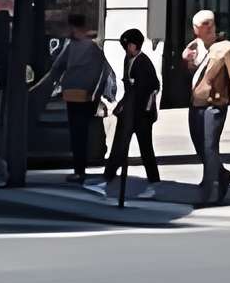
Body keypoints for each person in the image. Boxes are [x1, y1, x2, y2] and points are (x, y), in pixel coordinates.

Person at [183, 9, 230, 206]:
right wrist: (188, 60)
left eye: (209, 24)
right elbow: (196, 72)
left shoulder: (225, 48)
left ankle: (212, 190)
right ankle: (221, 175)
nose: (208, 28)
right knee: (199, 146)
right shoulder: (196, 46)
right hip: (196, 103)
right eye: (202, 25)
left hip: (215, 104)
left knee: (210, 147)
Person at [43, 14, 114, 189]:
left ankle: (79, 171)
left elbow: (57, 68)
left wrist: (47, 86)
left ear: (75, 28)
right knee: (80, 134)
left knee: (78, 135)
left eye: (70, 27)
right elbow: (103, 71)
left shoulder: (78, 46)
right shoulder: (89, 47)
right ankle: (80, 170)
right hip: (83, 96)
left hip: (77, 96)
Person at [104, 28, 164, 195]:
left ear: (134, 45)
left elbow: (146, 89)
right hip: (130, 112)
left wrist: (126, 105)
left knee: (145, 148)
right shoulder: (128, 59)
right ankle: (108, 176)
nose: (125, 49)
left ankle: (154, 181)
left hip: (142, 113)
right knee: (119, 146)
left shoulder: (143, 63)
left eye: (127, 46)